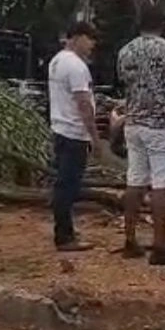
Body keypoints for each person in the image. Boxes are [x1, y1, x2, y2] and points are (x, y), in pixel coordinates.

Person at [117, 4, 165, 265]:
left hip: (134, 123)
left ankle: (130, 241)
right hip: (162, 124)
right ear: (162, 24)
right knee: (162, 185)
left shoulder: (125, 51)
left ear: (139, 24)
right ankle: (160, 247)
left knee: (135, 180)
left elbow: (125, 84)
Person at [48, 21, 99, 252]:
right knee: (68, 186)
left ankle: (65, 230)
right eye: (90, 39)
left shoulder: (57, 61)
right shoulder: (77, 66)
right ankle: (64, 237)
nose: (92, 45)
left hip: (60, 129)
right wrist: (95, 138)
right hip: (74, 133)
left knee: (63, 183)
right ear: (77, 37)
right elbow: (83, 104)